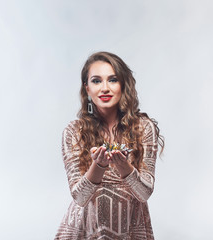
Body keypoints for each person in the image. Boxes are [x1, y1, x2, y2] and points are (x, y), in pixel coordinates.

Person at [55, 51, 164, 240]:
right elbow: (79, 198)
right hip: (83, 230)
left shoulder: (143, 128)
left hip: (130, 230)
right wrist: (98, 166)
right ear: (87, 88)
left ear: (123, 85)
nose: (105, 88)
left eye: (113, 80)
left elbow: (144, 193)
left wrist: (124, 167)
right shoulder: (74, 132)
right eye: (96, 81)